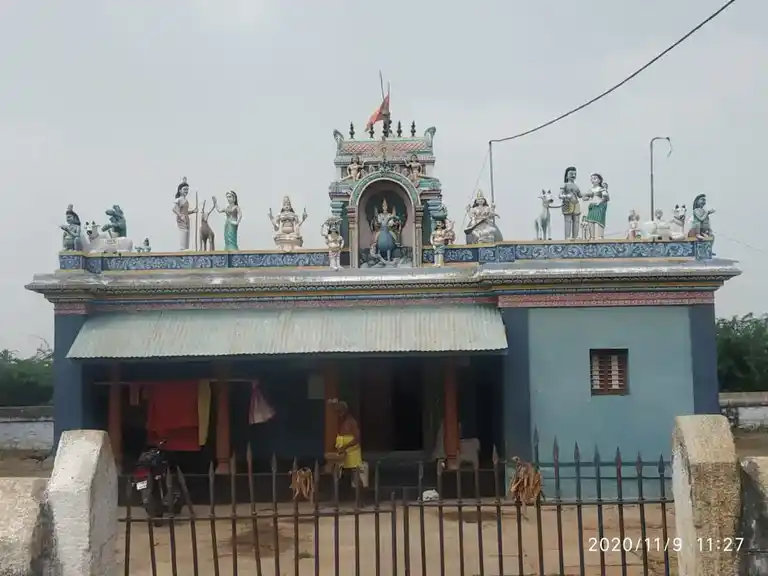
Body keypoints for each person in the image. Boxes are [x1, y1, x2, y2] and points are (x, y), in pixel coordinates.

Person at [333, 400, 362, 485]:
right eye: (338, 412)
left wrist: (345, 447)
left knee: (354, 476)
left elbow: (357, 439)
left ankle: (358, 494)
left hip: (352, 453)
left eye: (340, 412)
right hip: (343, 455)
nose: (339, 414)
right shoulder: (340, 423)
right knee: (344, 476)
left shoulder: (352, 422)